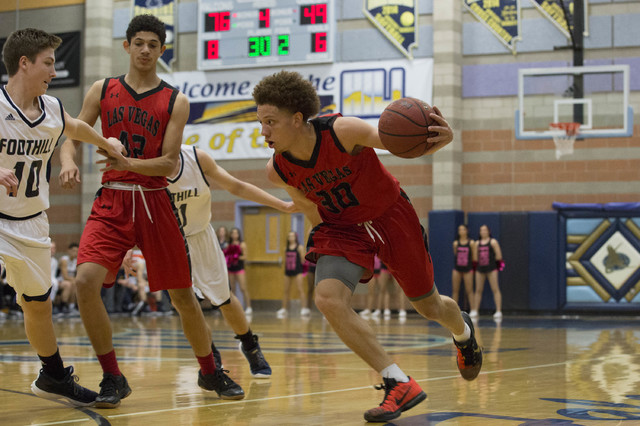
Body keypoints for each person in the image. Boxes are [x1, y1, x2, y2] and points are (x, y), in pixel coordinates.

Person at [253, 70, 483, 423]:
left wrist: (436, 137)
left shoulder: (343, 131)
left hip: (390, 216)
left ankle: (463, 333)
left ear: (297, 119)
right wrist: (331, 254)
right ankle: (397, 381)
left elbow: (395, 139)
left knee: (429, 306)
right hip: (342, 229)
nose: (263, 131)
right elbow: (311, 208)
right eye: (261, 122)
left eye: (271, 122)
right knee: (328, 298)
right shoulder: (278, 170)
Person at [58, 15, 243, 407]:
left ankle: (210, 371)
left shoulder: (176, 100)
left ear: (162, 50)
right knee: (86, 281)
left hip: (156, 200)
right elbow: (71, 130)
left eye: (152, 44)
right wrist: (67, 160)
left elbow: (169, 163)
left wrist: (128, 164)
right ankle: (112, 376)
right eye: (138, 42)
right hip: (111, 198)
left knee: (182, 297)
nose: (144, 50)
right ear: (126, 46)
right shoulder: (101, 89)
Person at [0, 27, 126, 406]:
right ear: (25, 63)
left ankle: (53, 375)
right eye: (48, 63)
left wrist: (108, 143)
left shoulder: (51, 108)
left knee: (39, 304)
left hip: (32, 219)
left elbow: (76, 127)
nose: (54, 72)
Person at [165, 144, 295, 377]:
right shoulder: (143, 167)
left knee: (224, 298)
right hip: (168, 242)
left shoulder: (196, 158)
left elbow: (236, 185)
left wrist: (282, 204)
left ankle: (250, 345)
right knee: (186, 305)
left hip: (201, 236)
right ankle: (209, 354)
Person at [471, 224, 504, 319]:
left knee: (495, 289)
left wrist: (496, 266)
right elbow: (475, 258)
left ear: (489, 231)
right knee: (478, 290)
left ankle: (498, 310)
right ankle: (475, 310)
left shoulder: (493, 242)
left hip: (491, 269)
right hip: (480, 269)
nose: (483, 232)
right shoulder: (477, 243)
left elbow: (499, 256)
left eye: (485, 230)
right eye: (481, 230)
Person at [278, 231, 309, 318]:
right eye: (289, 236)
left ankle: (304, 308)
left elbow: (303, 260)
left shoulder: (299, 247)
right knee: (286, 290)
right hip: (288, 271)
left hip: (298, 270)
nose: (291, 238)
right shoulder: (286, 248)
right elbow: (285, 260)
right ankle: (284, 308)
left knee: (300, 289)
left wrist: (304, 271)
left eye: (292, 236)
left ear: (295, 237)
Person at [225, 227, 252, 315]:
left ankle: (248, 307)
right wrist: (229, 257)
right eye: (232, 233)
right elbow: (226, 255)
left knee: (243, 288)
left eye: (236, 233)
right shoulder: (229, 244)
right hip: (231, 269)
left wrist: (236, 257)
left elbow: (245, 256)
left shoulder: (242, 244)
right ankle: (234, 307)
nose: (234, 235)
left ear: (238, 234)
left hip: (239, 268)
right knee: (232, 289)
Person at [452, 224, 475, 314]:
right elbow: (455, 254)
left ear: (466, 231)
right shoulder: (456, 243)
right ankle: (454, 310)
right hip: (457, 268)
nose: (461, 231)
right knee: (455, 290)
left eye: (463, 229)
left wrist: (472, 268)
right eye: (459, 230)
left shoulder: (471, 243)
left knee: (469, 290)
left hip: (468, 269)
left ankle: (473, 309)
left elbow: (473, 257)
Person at [58, 242, 79, 316]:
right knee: (70, 284)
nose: (75, 253)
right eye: (73, 251)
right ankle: (63, 306)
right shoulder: (64, 260)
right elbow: (65, 276)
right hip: (60, 280)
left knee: (76, 284)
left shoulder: (76, 261)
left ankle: (72, 306)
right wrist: (75, 280)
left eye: (77, 251)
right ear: (68, 251)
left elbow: (78, 274)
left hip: (71, 280)